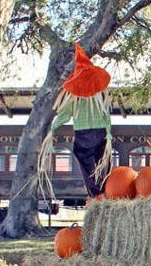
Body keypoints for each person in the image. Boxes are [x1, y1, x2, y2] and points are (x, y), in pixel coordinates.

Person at [37, 43, 112, 198]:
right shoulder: (100, 95)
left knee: (83, 158)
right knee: (102, 160)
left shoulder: (74, 98)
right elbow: (106, 116)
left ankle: (94, 192)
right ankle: (105, 189)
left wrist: (53, 128)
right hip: (100, 132)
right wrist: (109, 133)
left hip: (83, 134)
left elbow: (64, 115)